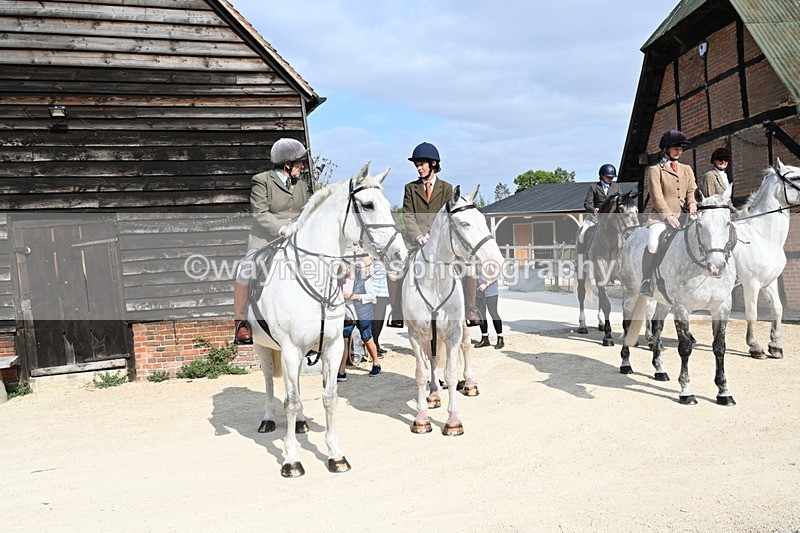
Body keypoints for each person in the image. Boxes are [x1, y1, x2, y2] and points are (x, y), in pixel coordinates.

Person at [386, 142, 481, 328]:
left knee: (468, 266)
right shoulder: (410, 188)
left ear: (434, 164)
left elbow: (447, 216)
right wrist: (419, 236)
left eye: (422, 164)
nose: (419, 168)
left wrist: (433, 235)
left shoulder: (447, 188)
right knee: (394, 269)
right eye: (417, 165)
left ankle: (471, 309)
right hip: (416, 242)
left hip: (441, 241)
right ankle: (397, 311)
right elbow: (408, 216)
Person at [233, 138, 310, 345]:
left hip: (294, 240)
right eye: (300, 163)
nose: (302, 167)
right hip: (265, 241)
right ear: (287, 164)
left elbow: (306, 212)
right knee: (245, 270)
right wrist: (281, 228)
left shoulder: (302, 186)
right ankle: (241, 323)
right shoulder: (261, 181)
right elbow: (260, 213)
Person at [640, 129, 698, 296]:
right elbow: (656, 196)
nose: (679, 151)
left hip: (685, 216)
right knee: (653, 244)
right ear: (665, 149)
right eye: (675, 148)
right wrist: (668, 216)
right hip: (660, 218)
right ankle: (646, 280)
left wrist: (692, 202)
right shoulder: (655, 170)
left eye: (681, 149)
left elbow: (692, 189)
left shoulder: (686, 169)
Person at [337, 253, 382, 380]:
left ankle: (376, 363)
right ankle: (341, 371)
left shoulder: (364, 278)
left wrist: (353, 296)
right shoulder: (340, 280)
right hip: (348, 315)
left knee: (366, 338)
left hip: (363, 313)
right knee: (345, 340)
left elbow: (372, 297)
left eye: (344, 265)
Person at [578, 163, 622, 243]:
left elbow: (620, 202)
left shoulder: (617, 187)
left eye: (612, 177)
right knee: (582, 234)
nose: (610, 179)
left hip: (611, 217)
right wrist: (593, 210)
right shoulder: (594, 187)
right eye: (608, 177)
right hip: (596, 216)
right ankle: (581, 251)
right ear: (602, 176)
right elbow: (587, 203)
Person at [473, 275, 504, 349]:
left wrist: (486, 284)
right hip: (479, 292)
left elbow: (496, 275)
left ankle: (500, 339)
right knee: (481, 315)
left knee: (493, 313)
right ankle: (485, 339)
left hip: (491, 292)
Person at [369, 254, 390, 356]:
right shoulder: (371, 261)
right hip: (376, 294)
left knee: (380, 322)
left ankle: (376, 343)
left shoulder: (383, 261)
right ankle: (372, 347)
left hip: (383, 294)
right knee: (375, 323)